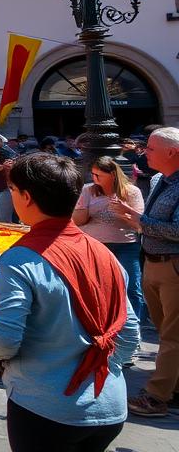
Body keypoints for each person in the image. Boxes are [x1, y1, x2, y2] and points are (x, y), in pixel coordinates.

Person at [0, 153, 137, 451]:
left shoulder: (21, 258)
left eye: (12, 190)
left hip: (46, 408)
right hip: (111, 406)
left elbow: (4, 339)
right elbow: (129, 333)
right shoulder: (105, 254)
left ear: (26, 197)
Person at [107, 126, 179, 417]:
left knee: (173, 335)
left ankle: (157, 395)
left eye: (150, 148)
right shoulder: (162, 179)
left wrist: (140, 219)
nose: (143, 152)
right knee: (166, 332)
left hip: (173, 266)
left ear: (172, 153)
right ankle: (173, 386)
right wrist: (136, 221)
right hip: (153, 261)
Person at [72, 155, 146, 330]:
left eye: (99, 175)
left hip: (125, 245)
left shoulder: (131, 192)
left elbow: (140, 224)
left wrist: (123, 212)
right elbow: (78, 221)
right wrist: (88, 209)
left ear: (113, 174)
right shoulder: (88, 191)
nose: (95, 179)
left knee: (131, 286)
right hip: (95, 245)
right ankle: (101, 324)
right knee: (96, 286)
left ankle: (132, 327)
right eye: (93, 175)